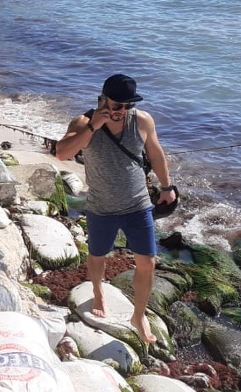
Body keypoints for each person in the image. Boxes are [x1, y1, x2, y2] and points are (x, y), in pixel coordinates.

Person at [55, 74, 176, 343]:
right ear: (103, 98)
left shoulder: (142, 120)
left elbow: (155, 153)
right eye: (116, 105)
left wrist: (167, 188)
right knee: (98, 256)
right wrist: (93, 127)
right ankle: (97, 291)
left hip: (138, 205)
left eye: (126, 106)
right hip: (101, 206)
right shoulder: (84, 122)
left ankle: (139, 314)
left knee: (148, 262)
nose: (120, 111)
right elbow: (62, 153)